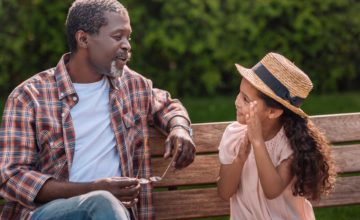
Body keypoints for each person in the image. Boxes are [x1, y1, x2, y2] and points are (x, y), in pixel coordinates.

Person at [0, 0, 195, 219]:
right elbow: (12, 177)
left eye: (128, 37)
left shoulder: (132, 86)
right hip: (48, 213)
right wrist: (93, 190)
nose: (127, 46)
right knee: (102, 202)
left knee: (105, 205)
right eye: (117, 36)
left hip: (115, 214)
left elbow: (167, 105)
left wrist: (179, 128)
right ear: (83, 39)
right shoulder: (29, 97)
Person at [217, 52, 336, 219]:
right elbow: (224, 192)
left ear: (272, 112)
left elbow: (272, 190)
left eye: (245, 99)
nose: (237, 102)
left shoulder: (289, 144)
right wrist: (239, 160)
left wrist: (257, 142)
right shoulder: (234, 135)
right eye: (239, 93)